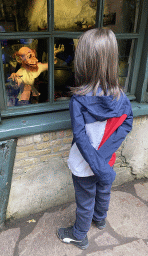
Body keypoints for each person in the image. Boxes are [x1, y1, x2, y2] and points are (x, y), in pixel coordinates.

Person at [57, 28, 133, 250]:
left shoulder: (78, 101)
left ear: (84, 61)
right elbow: (127, 123)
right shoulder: (123, 98)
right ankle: (100, 219)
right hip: (106, 161)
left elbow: (80, 137)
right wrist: (103, 159)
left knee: (85, 199)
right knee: (103, 189)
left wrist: (96, 161)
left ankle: (79, 234)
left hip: (85, 164)